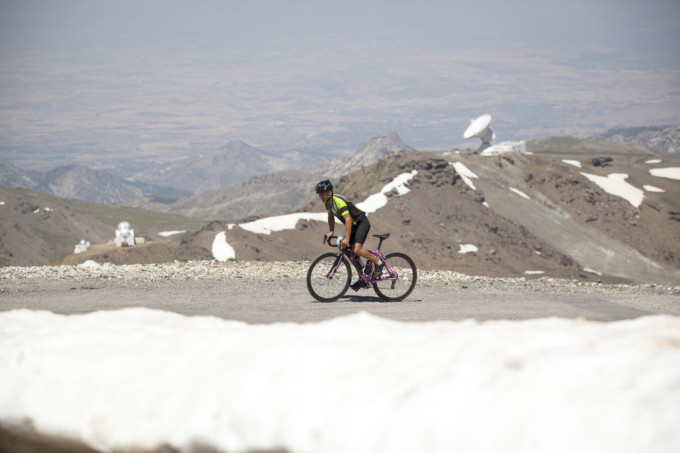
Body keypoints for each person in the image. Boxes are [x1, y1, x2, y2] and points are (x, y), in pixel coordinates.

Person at [315, 179, 384, 287]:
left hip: (362, 223)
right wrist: (331, 231)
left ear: (329, 192)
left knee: (356, 249)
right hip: (354, 226)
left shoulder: (338, 201)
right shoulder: (327, 203)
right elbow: (330, 217)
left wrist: (347, 238)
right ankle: (362, 277)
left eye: (322, 194)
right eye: (319, 194)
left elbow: (347, 220)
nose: (321, 196)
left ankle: (379, 263)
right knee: (350, 251)